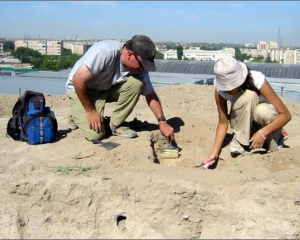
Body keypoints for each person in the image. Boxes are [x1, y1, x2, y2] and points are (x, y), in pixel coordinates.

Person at [65, 35, 174, 142]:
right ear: (130, 54)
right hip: (81, 89)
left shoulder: (139, 68)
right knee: (95, 135)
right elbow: (78, 80)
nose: (143, 68)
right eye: (141, 64)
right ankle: (77, 115)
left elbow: (151, 95)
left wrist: (162, 122)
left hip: (105, 88)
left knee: (137, 83)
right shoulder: (105, 52)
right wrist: (90, 111)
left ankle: (114, 125)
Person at [203, 58, 291, 167]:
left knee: (260, 109)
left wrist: (262, 133)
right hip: (244, 123)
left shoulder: (256, 80)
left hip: (265, 123)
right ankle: (241, 140)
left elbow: (286, 115)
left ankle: (275, 140)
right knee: (248, 97)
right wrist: (214, 153)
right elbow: (223, 123)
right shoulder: (220, 90)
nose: (228, 89)